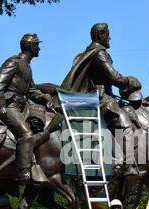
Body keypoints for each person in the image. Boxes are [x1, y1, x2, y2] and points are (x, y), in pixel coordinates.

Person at [61, 23, 143, 176]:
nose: (109, 37)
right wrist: (131, 82)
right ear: (100, 35)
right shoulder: (99, 53)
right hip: (99, 98)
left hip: (99, 96)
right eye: (107, 34)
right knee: (124, 123)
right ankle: (127, 164)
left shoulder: (91, 52)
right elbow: (114, 77)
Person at [0, 33, 51, 184]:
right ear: (30, 46)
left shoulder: (27, 67)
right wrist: (1, 107)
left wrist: (45, 98)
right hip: (10, 106)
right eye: (37, 45)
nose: (39, 49)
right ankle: (23, 174)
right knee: (26, 135)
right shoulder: (14, 62)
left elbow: (31, 91)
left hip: (22, 107)